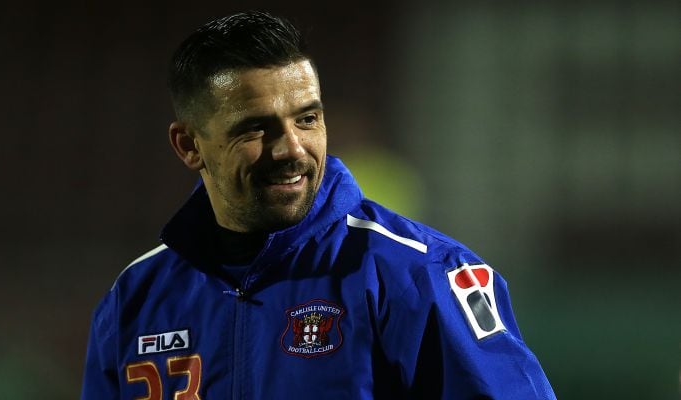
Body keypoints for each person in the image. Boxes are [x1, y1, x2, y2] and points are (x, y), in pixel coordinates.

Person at [81, 11, 555, 399]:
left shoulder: (420, 275)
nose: (292, 148)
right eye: (255, 128)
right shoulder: (136, 298)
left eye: (307, 118)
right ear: (189, 145)